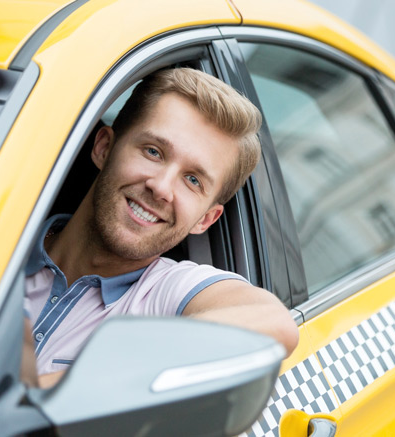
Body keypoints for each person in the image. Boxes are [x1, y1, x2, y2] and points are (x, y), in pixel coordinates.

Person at [22, 68, 298, 387]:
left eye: (192, 180)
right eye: (153, 152)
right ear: (103, 147)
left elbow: (275, 325)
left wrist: (46, 390)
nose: (162, 188)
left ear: (206, 219)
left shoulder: (167, 294)